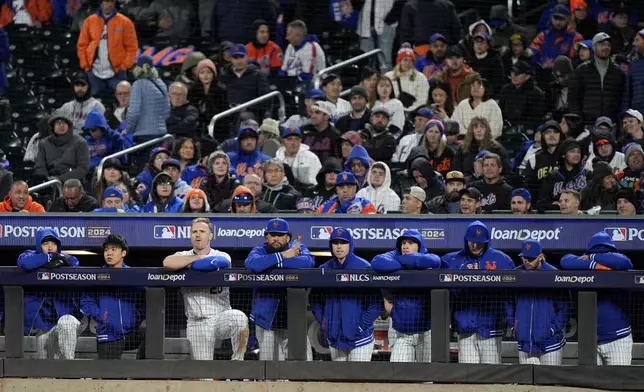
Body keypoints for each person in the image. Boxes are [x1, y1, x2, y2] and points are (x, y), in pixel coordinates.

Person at [163, 218, 249, 361]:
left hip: (221, 316)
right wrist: (198, 258)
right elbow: (168, 262)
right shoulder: (183, 254)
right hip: (197, 322)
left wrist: (189, 263)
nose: (198, 235)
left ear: (210, 236)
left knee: (239, 317)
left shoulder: (222, 255)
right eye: (194, 232)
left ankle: (237, 362)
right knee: (203, 373)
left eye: (202, 231)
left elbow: (211, 264)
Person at [442, 221, 515, 364]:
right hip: (465, 325)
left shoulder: (501, 259)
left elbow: (510, 295)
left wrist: (511, 321)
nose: (475, 246)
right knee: (468, 373)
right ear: (466, 240)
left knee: (491, 373)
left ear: (487, 241)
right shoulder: (453, 260)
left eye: (480, 243)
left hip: (491, 325)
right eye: (472, 242)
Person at [245, 218, 315, 360]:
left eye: (280, 235)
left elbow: (308, 262)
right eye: (272, 235)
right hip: (266, 320)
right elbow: (253, 264)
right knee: (269, 368)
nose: (276, 238)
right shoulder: (260, 250)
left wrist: (272, 263)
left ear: (287, 237)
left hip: (293, 319)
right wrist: (283, 255)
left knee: (303, 363)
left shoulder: (297, 247)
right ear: (267, 237)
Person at [561, 231, 633, 365]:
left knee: (618, 382)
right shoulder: (585, 264)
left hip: (617, 338)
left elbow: (625, 262)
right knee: (589, 383)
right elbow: (565, 260)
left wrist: (592, 257)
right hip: (589, 340)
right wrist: (595, 265)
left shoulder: (619, 262)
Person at [311, 228, 381, 362]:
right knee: (339, 380)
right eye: (335, 243)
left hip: (360, 339)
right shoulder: (324, 269)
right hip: (335, 338)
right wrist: (325, 323)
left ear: (350, 244)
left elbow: (376, 303)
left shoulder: (364, 267)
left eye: (343, 243)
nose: (339, 247)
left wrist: (361, 325)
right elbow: (314, 299)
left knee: (357, 379)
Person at [372, 230, 441, 362]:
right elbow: (377, 262)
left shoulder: (427, 257)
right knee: (398, 373)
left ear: (419, 246)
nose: (405, 246)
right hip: (403, 334)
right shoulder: (394, 255)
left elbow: (435, 261)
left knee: (426, 378)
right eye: (403, 243)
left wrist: (402, 261)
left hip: (426, 333)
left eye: (410, 243)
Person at [17, 228, 82, 359]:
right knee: (46, 368)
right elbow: (24, 262)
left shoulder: (66, 257)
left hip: (65, 322)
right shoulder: (29, 255)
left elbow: (75, 262)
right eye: (46, 244)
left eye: (53, 244)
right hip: (43, 327)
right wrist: (49, 258)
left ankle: (69, 370)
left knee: (67, 322)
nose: (50, 247)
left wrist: (57, 258)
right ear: (39, 246)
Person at [81, 234, 145, 359]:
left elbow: (145, 300)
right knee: (109, 374)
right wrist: (102, 316)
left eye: (113, 249)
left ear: (123, 253)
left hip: (131, 332)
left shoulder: (133, 275)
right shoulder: (97, 276)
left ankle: (140, 370)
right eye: (106, 250)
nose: (109, 253)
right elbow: (86, 302)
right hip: (109, 333)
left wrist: (136, 316)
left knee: (151, 332)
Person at [509, 240, 569, 366]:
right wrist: (512, 325)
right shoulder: (516, 274)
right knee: (527, 384)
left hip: (550, 344)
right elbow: (508, 303)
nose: (527, 261)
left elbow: (564, 308)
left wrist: (552, 329)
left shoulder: (554, 275)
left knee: (550, 383)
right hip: (525, 344)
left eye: (531, 258)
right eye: (525, 258)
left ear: (541, 257)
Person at [77, 0, 137, 97]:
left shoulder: (125, 22)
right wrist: (85, 65)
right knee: (94, 102)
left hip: (117, 72)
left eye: (111, 2)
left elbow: (132, 47)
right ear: (101, 2)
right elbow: (82, 45)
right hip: (94, 71)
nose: (108, 5)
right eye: (106, 2)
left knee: (122, 102)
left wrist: (124, 65)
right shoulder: (89, 21)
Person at [569, 33, 625, 125]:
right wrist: (578, 119)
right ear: (594, 47)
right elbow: (573, 97)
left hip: (611, 123)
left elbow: (621, 98)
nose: (605, 47)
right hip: (588, 123)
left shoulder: (618, 71)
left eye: (608, 45)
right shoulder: (582, 70)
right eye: (602, 44)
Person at [126, 55, 170, 152]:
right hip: (162, 134)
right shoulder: (161, 84)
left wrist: (129, 129)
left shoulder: (138, 85)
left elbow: (134, 112)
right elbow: (167, 111)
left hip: (144, 136)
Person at [34, 110, 90, 183]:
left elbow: (83, 168)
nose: (61, 125)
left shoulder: (80, 142)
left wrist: (60, 179)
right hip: (48, 183)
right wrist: (46, 180)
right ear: (52, 126)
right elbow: (40, 166)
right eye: (58, 123)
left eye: (64, 123)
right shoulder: (44, 143)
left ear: (69, 126)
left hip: (73, 182)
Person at [219, 44, 270, 117]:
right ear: (231, 59)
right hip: (228, 115)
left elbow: (264, 100)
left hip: (252, 114)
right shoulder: (225, 75)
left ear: (247, 57)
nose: (239, 61)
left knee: (245, 116)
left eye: (242, 57)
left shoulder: (258, 75)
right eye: (235, 57)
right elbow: (221, 99)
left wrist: (246, 107)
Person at [538, 138, 589, 208]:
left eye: (578, 152)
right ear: (563, 155)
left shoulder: (587, 174)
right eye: (572, 151)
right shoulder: (551, 176)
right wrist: (552, 205)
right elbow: (541, 203)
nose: (576, 154)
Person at [187, 59, 230, 142]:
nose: (205, 75)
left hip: (218, 127)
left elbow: (224, 113)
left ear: (213, 74)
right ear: (198, 75)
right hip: (199, 127)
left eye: (208, 72)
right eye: (202, 72)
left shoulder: (221, 90)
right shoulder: (193, 90)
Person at [498, 61, 546, 132]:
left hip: (526, 132)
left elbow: (535, 119)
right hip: (505, 129)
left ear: (527, 76)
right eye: (512, 72)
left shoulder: (536, 93)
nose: (513, 76)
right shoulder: (506, 89)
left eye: (517, 73)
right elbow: (500, 112)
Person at [522, 121, 563, 201]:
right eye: (548, 132)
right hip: (541, 206)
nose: (552, 135)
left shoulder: (566, 157)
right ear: (543, 136)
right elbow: (529, 187)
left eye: (555, 132)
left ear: (560, 135)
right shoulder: (534, 158)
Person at [385, 46, 430, 113]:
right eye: (405, 60)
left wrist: (407, 111)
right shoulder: (388, 76)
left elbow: (422, 100)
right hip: (391, 111)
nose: (408, 63)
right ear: (399, 61)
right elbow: (384, 96)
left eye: (411, 60)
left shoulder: (421, 78)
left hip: (413, 112)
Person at [621, 29, 644, 115]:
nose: (634, 44)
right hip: (637, 118)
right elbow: (627, 95)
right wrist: (625, 114)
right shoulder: (633, 65)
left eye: (637, 40)